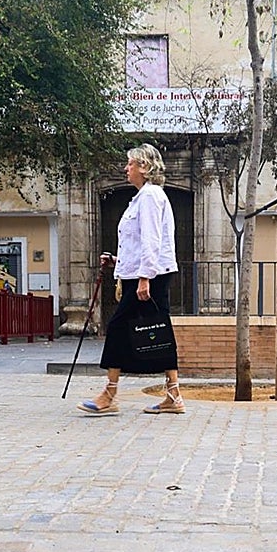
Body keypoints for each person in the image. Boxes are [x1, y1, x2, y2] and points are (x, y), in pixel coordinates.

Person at [78, 143, 184, 416]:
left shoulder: (149, 196)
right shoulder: (143, 197)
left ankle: (110, 395)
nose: (126, 169)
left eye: (130, 164)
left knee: (118, 328)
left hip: (150, 277)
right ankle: (173, 395)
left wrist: (144, 278)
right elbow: (139, 243)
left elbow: (152, 239)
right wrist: (118, 261)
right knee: (158, 332)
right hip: (145, 274)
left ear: (144, 167)